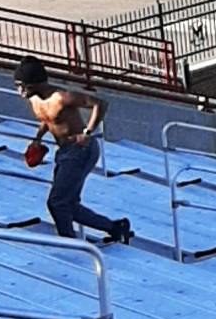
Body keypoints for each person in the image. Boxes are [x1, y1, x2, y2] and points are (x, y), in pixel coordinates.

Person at [14, 58, 132, 245]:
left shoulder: (60, 97)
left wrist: (88, 132)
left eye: (22, 86)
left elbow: (99, 104)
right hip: (64, 152)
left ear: (34, 83)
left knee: (57, 202)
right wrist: (37, 138)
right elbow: (48, 120)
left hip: (80, 150)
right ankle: (116, 228)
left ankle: (70, 244)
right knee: (69, 204)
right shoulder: (35, 100)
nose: (19, 91)